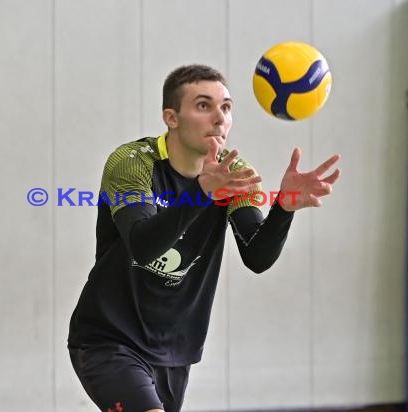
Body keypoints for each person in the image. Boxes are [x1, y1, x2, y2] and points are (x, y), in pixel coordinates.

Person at [67, 64, 340, 412]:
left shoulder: (233, 173)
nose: (219, 118)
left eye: (226, 107)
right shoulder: (132, 162)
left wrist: (283, 208)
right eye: (203, 105)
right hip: (109, 338)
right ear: (171, 117)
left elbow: (256, 256)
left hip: (174, 349)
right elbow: (142, 245)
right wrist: (200, 192)